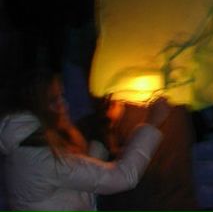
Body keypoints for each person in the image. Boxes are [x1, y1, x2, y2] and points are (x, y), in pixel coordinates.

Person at [0, 69, 169, 212]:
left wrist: (106, 123)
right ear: (38, 108)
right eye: (54, 101)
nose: (64, 105)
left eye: (62, 96)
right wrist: (152, 123)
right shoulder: (44, 158)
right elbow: (122, 177)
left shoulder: (24, 142)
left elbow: (83, 170)